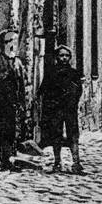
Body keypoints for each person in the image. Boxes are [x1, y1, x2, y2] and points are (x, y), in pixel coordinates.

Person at [39, 44, 84, 173]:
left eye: (66, 56)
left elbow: (79, 90)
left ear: (70, 58)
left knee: (73, 135)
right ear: (57, 57)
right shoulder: (51, 73)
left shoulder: (74, 73)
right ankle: (57, 162)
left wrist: (73, 101)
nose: (64, 58)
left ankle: (76, 163)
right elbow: (44, 90)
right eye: (61, 55)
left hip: (70, 109)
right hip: (56, 109)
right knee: (56, 135)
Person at [0, 30, 26, 172]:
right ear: (1, 44)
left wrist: (21, 103)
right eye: (8, 42)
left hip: (12, 103)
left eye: (14, 42)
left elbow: (21, 84)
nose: (11, 45)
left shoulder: (17, 62)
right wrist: (6, 74)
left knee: (10, 133)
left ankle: (6, 160)